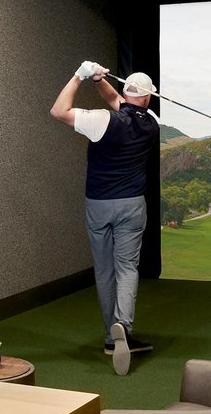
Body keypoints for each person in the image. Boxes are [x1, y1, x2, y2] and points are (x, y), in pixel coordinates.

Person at [50, 60, 159, 375]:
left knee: (104, 270)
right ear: (148, 98)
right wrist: (99, 80)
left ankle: (111, 336)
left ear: (126, 92)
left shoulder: (101, 121)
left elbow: (58, 111)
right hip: (132, 205)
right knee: (127, 268)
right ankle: (122, 325)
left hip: (99, 205)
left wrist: (79, 77)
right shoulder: (151, 121)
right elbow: (119, 100)